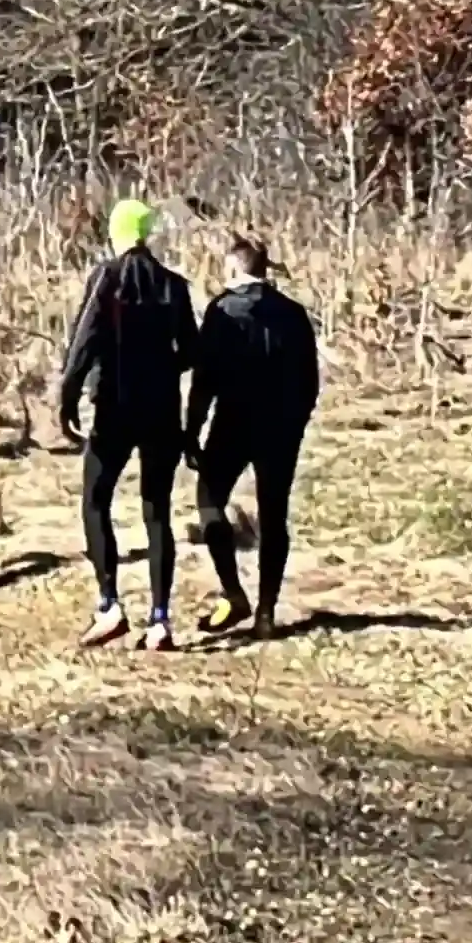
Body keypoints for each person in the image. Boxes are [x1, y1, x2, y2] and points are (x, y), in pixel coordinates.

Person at [59, 198, 200, 652]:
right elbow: (193, 351)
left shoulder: (107, 279)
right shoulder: (174, 285)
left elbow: (83, 344)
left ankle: (109, 605)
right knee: (157, 511)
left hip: (114, 409)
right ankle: (160, 620)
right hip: (161, 410)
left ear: (118, 233)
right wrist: (164, 367)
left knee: (95, 500)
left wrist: (67, 397)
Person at [183, 237, 320, 641]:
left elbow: (204, 379)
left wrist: (192, 430)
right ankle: (266, 612)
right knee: (274, 517)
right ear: (265, 269)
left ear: (232, 269)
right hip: (281, 428)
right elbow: (310, 379)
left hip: (233, 423)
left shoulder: (222, 310)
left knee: (209, 502)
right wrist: (297, 420)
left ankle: (232, 590)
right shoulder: (294, 314)